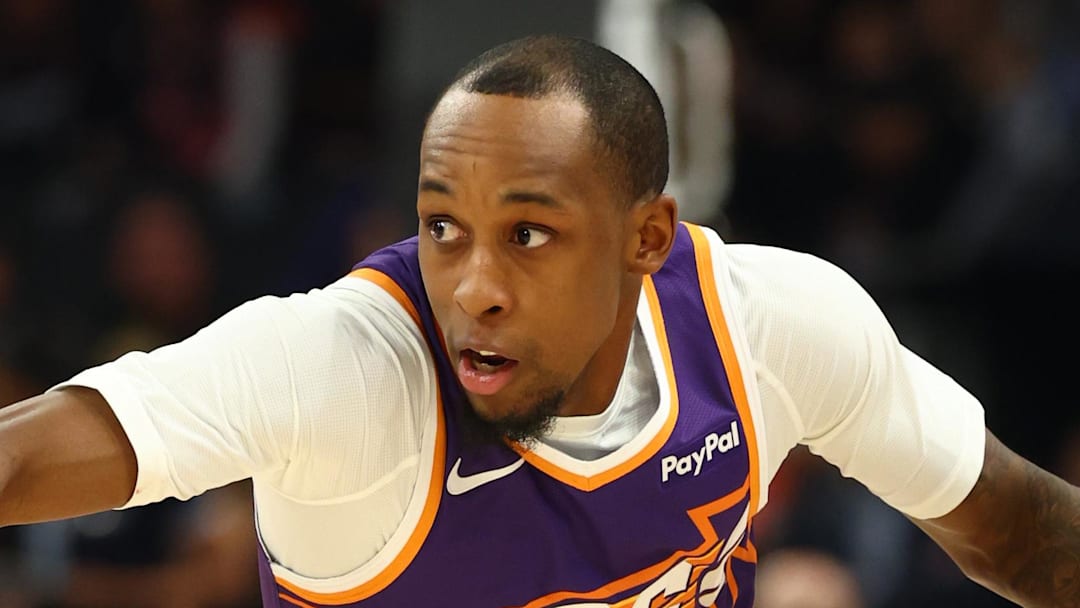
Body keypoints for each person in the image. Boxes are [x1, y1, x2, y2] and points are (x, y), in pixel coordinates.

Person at [0, 33, 1077, 607]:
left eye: (527, 233)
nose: (470, 283)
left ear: (647, 238)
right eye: (441, 225)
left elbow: (1019, 531)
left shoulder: (774, 325)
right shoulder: (341, 364)